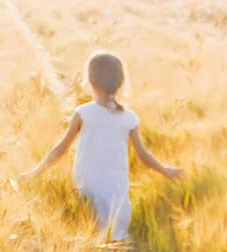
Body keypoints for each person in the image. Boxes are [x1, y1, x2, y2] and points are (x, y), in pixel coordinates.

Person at [17, 51, 183, 241]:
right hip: (118, 204)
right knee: (116, 246)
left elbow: (61, 149)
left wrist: (35, 172)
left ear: (90, 81)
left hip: (88, 199)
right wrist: (165, 170)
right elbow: (144, 155)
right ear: (120, 82)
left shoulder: (84, 114)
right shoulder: (129, 118)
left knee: (89, 242)